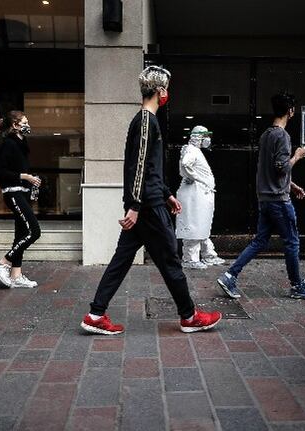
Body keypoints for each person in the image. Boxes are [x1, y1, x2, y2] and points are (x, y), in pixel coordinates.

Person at [80, 65, 222, 335]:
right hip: (147, 208)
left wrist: (167, 193)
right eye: (166, 88)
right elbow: (139, 164)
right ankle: (190, 316)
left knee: (121, 260)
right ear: (159, 91)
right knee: (170, 261)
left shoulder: (144, 120)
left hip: (149, 203)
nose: (168, 93)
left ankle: (95, 314)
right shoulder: (146, 120)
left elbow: (150, 168)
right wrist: (136, 206)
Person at [216, 92, 305, 300]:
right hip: (278, 201)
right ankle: (297, 286)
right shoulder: (282, 136)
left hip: (266, 198)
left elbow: (269, 169)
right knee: (292, 242)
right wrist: (297, 156)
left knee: (260, 241)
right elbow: (281, 167)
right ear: (290, 111)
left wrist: (291, 185)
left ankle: (229, 276)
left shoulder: (266, 135)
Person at [0, 110, 42, 288]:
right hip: (13, 193)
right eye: (25, 122)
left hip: (23, 193)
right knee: (34, 232)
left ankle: (16, 275)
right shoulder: (7, 144)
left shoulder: (22, 143)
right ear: (15, 125)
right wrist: (25, 177)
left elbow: (21, 169)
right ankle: (3, 262)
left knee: (20, 234)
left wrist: (31, 179)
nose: (28, 125)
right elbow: (0, 172)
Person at [175, 125, 225, 269]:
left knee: (202, 224)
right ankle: (190, 258)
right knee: (194, 225)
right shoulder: (192, 151)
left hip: (200, 194)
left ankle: (208, 255)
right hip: (195, 194)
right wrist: (195, 177)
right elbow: (185, 164)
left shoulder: (194, 150)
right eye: (205, 137)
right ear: (199, 137)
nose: (207, 140)